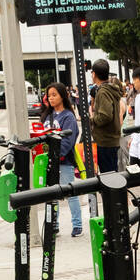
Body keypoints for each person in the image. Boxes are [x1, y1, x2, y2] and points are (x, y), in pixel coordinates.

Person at [38, 82, 84, 237]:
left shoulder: (68, 117)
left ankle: (77, 225)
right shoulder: (46, 115)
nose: (51, 98)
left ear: (63, 96)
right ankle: (53, 224)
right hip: (47, 161)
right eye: (49, 95)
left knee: (70, 193)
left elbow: (68, 141)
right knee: (52, 195)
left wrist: (55, 154)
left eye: (54, 95)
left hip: (64, 162)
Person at [89, 59, 125, 174]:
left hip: (105, 142)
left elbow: (105, 116)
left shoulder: (103, 92)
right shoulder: (109, 89)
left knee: (108, 177)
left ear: (94, 74)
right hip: (110, 141)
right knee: (112, 176)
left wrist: (92, 119)